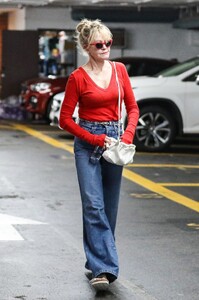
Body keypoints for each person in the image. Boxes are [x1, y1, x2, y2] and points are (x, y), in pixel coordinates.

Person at [59, 18, 139, 291]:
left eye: (108, 42)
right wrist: (94, 138)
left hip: (115, 141)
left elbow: (133, 109)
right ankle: (104, 269)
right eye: (99, 44)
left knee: (109, 209)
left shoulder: (119, 71)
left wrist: (126, 137)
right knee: (94, 206)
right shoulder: (77, 78)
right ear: (86, 46)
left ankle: (96, 262)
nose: (105, 47)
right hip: (88, 144)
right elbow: (65, 120)